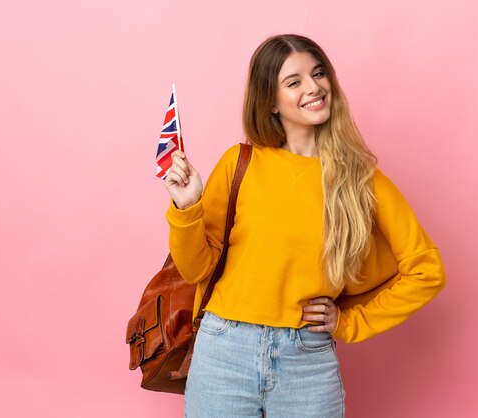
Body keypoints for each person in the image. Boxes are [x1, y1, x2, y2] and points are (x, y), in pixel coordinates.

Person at [163, 33, 447, 418]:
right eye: (294, 82)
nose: (314, 88)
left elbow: (426, 269)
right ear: (270, 102)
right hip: (224, 350)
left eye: (318, 74)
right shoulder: (239, 164)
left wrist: (351, 322)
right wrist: (187, 206)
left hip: (307, 357)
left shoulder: (359, 178)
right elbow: (196, 269)